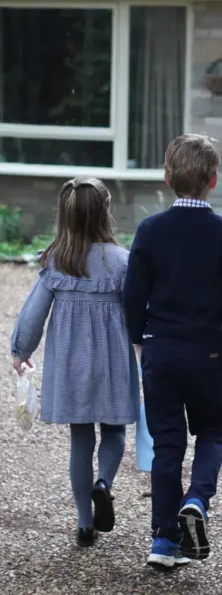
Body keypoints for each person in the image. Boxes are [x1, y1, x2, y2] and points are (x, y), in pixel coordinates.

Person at [124, 134, 222, 569]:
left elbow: (133, 293)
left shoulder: (149, 230)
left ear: (166, 179)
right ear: (214, 180)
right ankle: (197, 498)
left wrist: (139, 340)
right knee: (212, 432)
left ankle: (163, 541)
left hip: (160, 350)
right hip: (207, 353)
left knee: (167, 444)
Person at [11, 177, 139, 548]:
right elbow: (138, 311)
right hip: (113, 362)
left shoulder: (56, 262)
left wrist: (22, 350)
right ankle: (105, 484)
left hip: (71, 363)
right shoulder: (122, 261)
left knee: (80, 439)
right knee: (114, 431)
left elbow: (34, 311)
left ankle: (85, 524)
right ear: (105, 212)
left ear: (64, 216)